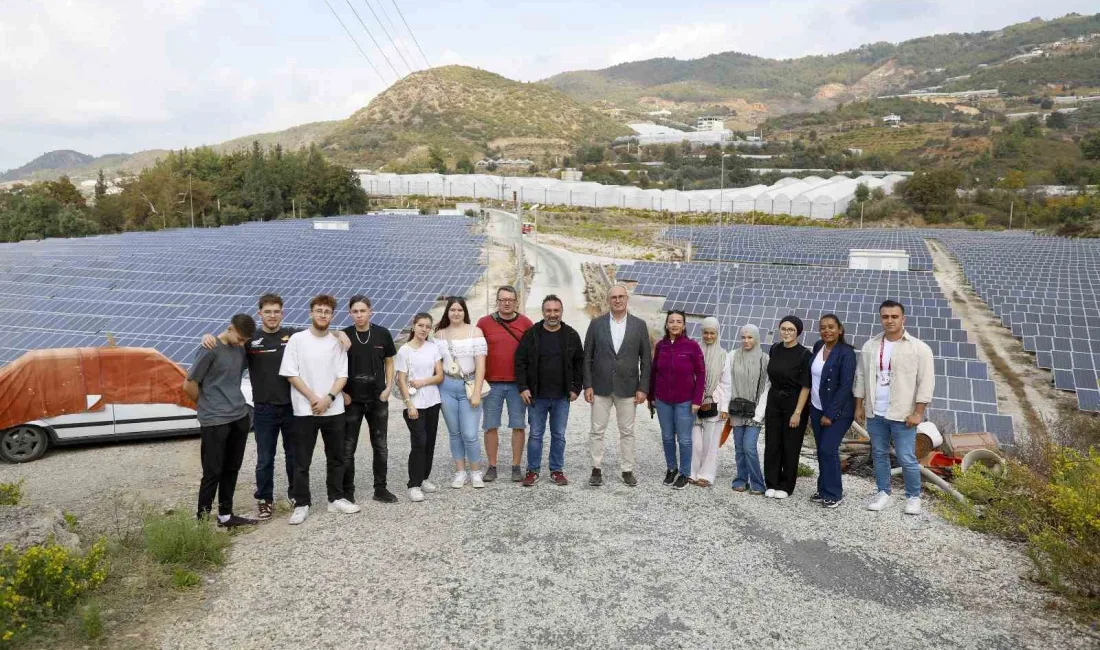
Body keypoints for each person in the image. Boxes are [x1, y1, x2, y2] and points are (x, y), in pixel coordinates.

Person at [200, 294, 350, 520]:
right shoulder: (250, 340)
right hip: (264, 408)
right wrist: (210, 337)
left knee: (294, 456)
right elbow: (230, 341)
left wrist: (341, 333)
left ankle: (295, 494)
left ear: (283, 313)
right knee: (265, 458)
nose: (272, 316)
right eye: (268, 312)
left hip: (291, 407)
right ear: (259, 313)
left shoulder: (293, 336)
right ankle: (265, 499)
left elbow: (320, 329)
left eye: (276, 311)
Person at [279, 294, 359, 525]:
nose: (323, 315)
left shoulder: (338, 342)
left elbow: (342, 375)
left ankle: (335, 499)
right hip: (305, 410)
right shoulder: (297, 340)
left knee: (336, 458)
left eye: (327, 312)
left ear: (332, 316)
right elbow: (291, 374)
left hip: (333, 410)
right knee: (301, 461)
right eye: (319, 311)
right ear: (311, 313)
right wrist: (314, 398)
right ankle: (302, 504)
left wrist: (329, 398)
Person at [855, 300, 935, 516]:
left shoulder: (919, 348)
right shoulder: (870, 346)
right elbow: (861, 377)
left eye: (894, 316)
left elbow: (925, 382)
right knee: (879, 454)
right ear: (880, 318)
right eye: (885, 316)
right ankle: (883, 492)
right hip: (876, 412)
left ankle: (913, 496)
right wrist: (859, 405)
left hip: (903, 414)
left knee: (906, 457)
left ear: (903, 319)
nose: (889, 320)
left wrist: (918, 412)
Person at [184, 313, 258, 528]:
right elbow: (189, 385)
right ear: (230, 328)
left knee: (232, 468)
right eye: (240, 338)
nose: (242, 343)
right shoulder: (209, 349)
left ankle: (226, 515)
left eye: (245, 340)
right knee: (212, 472)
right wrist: (208, 405)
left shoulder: (240, 348)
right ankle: (202, 522)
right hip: (215, 421)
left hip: (239, 416)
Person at [582, 284, 652, 488]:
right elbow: (587, 357)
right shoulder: (596, 324)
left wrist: (643, 388)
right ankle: (596, 468)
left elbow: (646, 359)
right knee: (597, 430)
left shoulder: (639, 325)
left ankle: (627, 469)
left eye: (621, 296)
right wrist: (588, 385)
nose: (618, 300)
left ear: (627, 298)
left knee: (627, 431)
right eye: (613, 297)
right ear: (608, 300)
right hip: (600, 386)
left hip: (628, 387)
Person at [514, 295, 585, 487]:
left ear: (561, 312)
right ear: (543, 312)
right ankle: (533, 470)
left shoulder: (571, 335)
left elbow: (580, 363)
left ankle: (556, 470)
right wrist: (523, 387)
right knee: (536, 434)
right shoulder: (532, 334)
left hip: (562, 396)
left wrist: (576, 388)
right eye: (549, 310)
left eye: (556, 310)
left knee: (558, 435)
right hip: (537, 396)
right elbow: (520, 362)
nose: (552, 314)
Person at [342, 295, 398, 504]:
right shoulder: (345, 336)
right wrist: (342, 393)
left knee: (380, 445)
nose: (359, 315)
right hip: (352, 400)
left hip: (377, 398)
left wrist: (388, 387)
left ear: (370, 311)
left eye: (362, 311)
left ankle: (380, 488)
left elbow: (390, 362)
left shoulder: (382, 334)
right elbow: (334, 365)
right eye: (355, 312)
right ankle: (348, 492)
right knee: (348, 447)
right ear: (350, 314)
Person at [476, 285, 534, 483]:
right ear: (497, 301)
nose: (506, 303)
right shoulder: (483, 323)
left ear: (516, 302)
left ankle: (516, 466)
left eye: (510, 299)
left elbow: (531, 356)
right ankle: (492, 466)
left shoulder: (526, 323)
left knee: (518, 426)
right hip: (491, 384)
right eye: (503, 299)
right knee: (490, 426)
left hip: (518, 385)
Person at [436, 296, 488, 489]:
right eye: (452, 310)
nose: (456, 313)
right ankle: (460, 472)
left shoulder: (476, 332)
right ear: (447, 312)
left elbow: (481, 366)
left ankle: (475, 471)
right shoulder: (439, 335)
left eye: (459, 310)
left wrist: (476, 392)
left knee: (470, 433)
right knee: (454, 432)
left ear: (465, 311)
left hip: (469, 384)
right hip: (447, 387)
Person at [649, 310, 705, 490]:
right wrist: (651, 396)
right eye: (671, 321)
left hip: (685, 400)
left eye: (678, 321)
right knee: (666, 437)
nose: (674, 324)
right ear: (666, 324)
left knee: (685, 439)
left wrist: (697, 400)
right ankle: (671, 469)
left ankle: (684, 473)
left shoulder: (692, 346)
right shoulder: (661, 346)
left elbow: (701, 374)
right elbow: (653, 372)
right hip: (663, 399)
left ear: (684, 325)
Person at [808, 314, 857, 509]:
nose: (826, 331)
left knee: (828, 449)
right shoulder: (818, 346)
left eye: (831, 327)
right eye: (823, 328)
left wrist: (829, 414)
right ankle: (823, 489)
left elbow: (845, 387)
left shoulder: (846, 353)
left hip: (838, 412)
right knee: (822, 451)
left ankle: (834, 493)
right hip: (817, 407)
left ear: (840, 330)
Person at [395, 312, 444, 503]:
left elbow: (439, 375)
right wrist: (409, 404)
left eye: (427, 326)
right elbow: (401, 380)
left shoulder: (433, 348)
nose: (424, 329)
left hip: (433, 401)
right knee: (419, 442)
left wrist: (423, 382)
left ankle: (424, 478)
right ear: (413, 326)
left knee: (430, 441)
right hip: (415, 405)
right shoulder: (404, 351)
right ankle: (413, 484)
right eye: (421, 325)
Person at [763, 315, 811, 500]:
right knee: (772, 442)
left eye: (791, 329)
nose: (786, 332)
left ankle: (786, 485)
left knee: (790, 445)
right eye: (783, 328)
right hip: (774, 399)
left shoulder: (804, 354)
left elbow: (806, 386)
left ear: (798, 332)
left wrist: (797, 412)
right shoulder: (775, 349)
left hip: (794, 401)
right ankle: (772, 482)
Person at [689, 317, 731, 487]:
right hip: (693, 403)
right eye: (705, 332)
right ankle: (691, 472)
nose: (708, 336)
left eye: (712, 333)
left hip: (715, 403)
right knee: (695, 442)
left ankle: (706, 474)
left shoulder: (723, 355)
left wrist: (722, 405)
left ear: (717, 333)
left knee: (710, 443)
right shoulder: (695, 351)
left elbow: (726, 382)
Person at [728, 324, 769, 495]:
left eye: (750, 337)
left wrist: (760, 412)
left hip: (755, 411)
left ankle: (758, 483)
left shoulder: (765, 359)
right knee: (739, 447)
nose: (746, 340)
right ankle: (741, 479)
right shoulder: (732, 356)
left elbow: (768, 386)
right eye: (743, 337)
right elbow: (727, 381)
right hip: (737, 409)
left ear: (757, 338)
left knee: (749, 447)